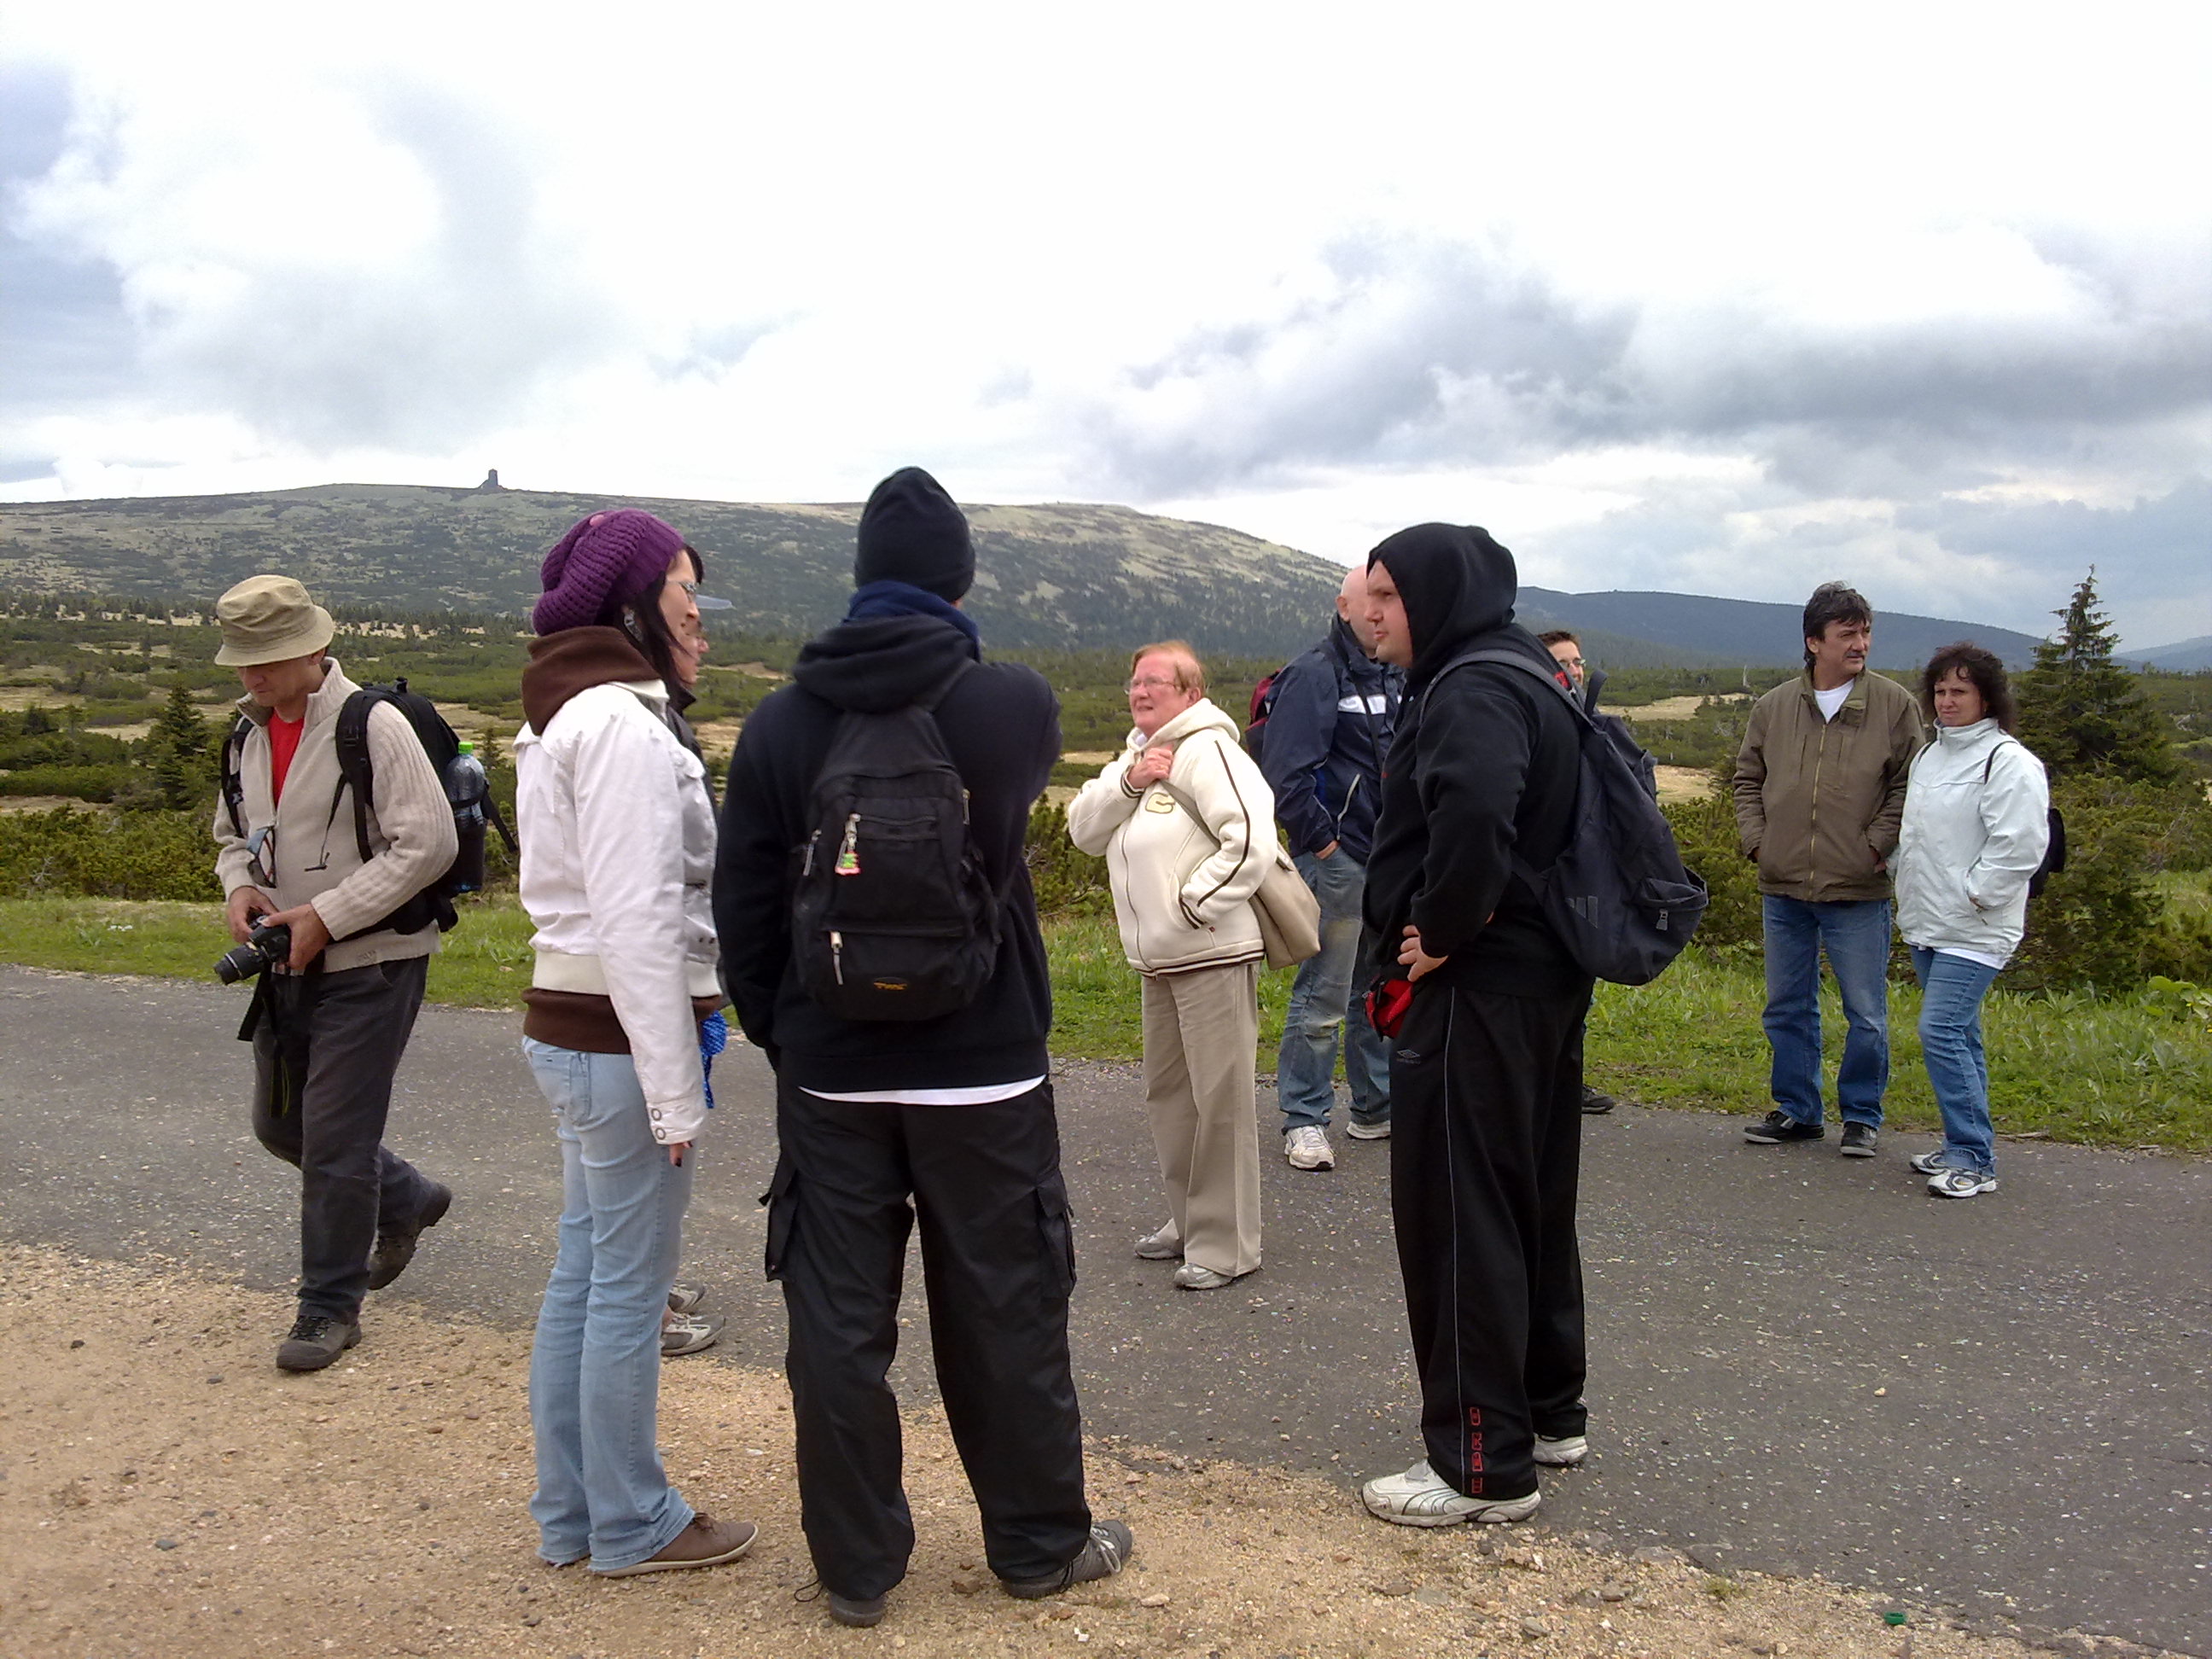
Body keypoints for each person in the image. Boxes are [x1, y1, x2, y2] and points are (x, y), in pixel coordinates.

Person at [717, 468, 1129, 1628]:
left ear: (859, 577)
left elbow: (743, 908)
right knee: (1007, 1304)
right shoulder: (1014, 706)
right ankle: (1039, 1545)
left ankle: (856, 1571)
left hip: (833, 1068)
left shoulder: (781, 722)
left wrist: (792, 1037)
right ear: (959, 580)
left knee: (837, 1326)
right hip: (985, 1061)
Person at [514, 509, 758, 1577]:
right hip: (620, 1041)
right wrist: (673, 1092)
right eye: (683, 591)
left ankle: (572, 1513)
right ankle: (632, 1521)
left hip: (579, 1029)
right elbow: (639, 919)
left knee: (587, 1272)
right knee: (626, 1285)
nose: (699, 613)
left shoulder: (572, 713)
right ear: (630, 607)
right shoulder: (620, 725)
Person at [1354, 524, 1593, 1528]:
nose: (1368, 611)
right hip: (1539, 979)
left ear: (1436, 597)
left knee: (1460, 1215)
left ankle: (1480, 1463)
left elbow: (1478, 813)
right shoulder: (1526, 669)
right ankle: (1547, 1411)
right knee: (1527, 1197)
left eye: (1387, 594)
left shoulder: (1470, 687)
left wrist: (1442, 930)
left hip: (1479, 992)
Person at [210, 574, 458, 1372]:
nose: (253, 673)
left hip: (374, 961)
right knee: (282, 1126)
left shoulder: (372, 723)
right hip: (288, 965)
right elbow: (232, 836)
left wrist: (326, 916)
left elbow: (430, 844)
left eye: (268, 657)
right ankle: (409, 1198)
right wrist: (240, 887)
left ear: (316, 647)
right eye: (243, 659)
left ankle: (328, 1307)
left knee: (337, 1141)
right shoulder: (246, 735)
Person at [1068, 642, 1276, 1290]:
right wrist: (1130, 783)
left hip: (1210, 953)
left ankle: (1226, 1247)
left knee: (1220, 1102)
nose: (1140, 691)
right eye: (1135, 682)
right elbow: (1082, 831)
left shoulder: (1210, 750)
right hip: (1159, 962)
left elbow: (1251, 838)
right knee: (1171, 1098)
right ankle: (1190, 1222)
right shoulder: (1136, 756)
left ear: (1191, 692)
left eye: (1156, 681)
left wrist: (1193, 906)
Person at [1732, 582, 1923, 1158]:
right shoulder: (1773, 708)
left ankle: (1861, 1116)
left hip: (1858, 888)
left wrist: (1876, 846)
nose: (1860, 643)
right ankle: (1798, 1110)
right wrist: (1759, 844)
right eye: (1847, 634)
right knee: (1786, 1007)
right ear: (1814, 642)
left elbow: (1909, 785)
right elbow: (1747, 780)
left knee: (1866, 1013)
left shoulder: (1895, 705)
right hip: (1783, 884)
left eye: (1865, 632)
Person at [1893, 643, 2049, 1200]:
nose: (1947, 701)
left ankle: (1974, 1158)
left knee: (1939, 1030)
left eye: (1960, 691)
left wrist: (1976, 896)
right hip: (1928, 920)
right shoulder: (1930, 757)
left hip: (1977, 928)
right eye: (1940, 691)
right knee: (1961, 1034)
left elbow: (2020, 846)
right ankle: (1964, 1144)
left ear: (1987, 697)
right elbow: (1917, 833)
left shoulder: (2009, 762)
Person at [1259, 566, 1400, 1168]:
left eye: (1389, 598)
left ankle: (1375, 1110)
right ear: (1344, 606)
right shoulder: (1315, 673)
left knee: (1376, 989)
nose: (1378, 611)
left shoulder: (1394, 671)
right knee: (1324, 994)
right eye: (1370, 598)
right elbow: (1284, 776)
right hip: (1339, 864)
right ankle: (1305, 1119)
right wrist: (1326, 848)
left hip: (1388, 861)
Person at [1539, 629, 1620, 1117]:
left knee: (1578, 984)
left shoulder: (1594, 721)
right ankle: (1541, 1077)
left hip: (1588, 875)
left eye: (1578, 661)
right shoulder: (1536, 720)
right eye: (1563, 662)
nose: (1574, 670)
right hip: (1546, 878)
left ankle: (1568, 1078)